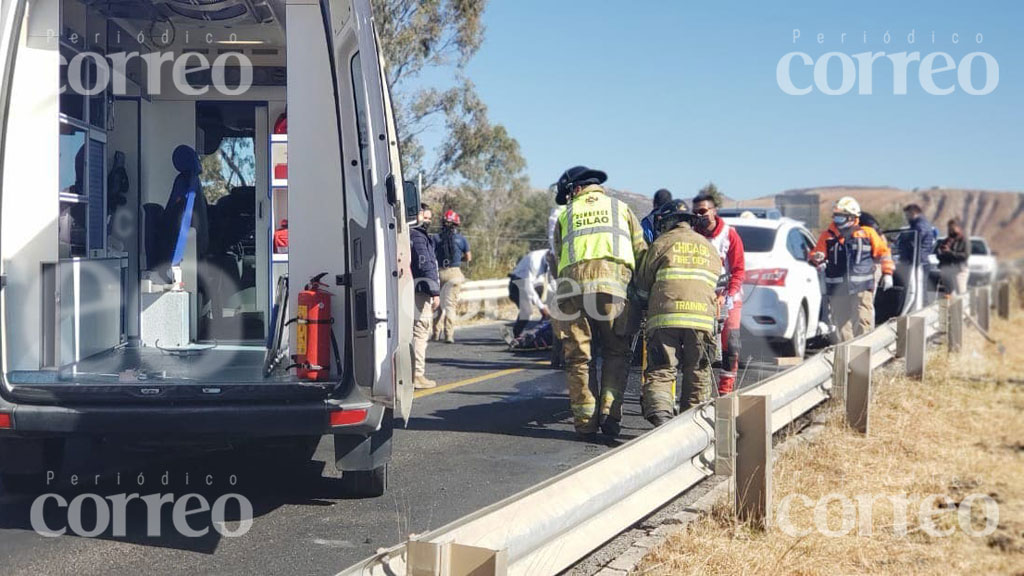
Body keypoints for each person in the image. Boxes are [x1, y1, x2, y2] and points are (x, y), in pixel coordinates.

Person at [551, 165, 647, 439]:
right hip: (613, 288)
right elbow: (640, 252)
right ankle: (609, 411)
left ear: (575, 189)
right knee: (616, 351)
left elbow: (558, 256)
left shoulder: (565, 215)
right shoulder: (621, 209)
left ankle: (585, 422)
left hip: (571, 291)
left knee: (579, 357)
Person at [634, 199, 722, 426]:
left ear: (666, 222)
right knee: (698, 372)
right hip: (702, 319)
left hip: (665, 318)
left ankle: (662, 417)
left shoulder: (661, 243)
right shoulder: (708, 246)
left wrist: (643, 306)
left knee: (662, 369)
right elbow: (715, 283)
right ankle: (692, 426)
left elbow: (643, 284)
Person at [810, 196, 895, 342]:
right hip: (837, 287)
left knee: (863, 320)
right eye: (836, 216)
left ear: (852, 217)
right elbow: (816, 254)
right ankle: (846, 357)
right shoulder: (827, 236)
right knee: (841, 324)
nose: (837, 219)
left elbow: (883, 253)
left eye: (840, 216)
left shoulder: (867, 233)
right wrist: (817, 259)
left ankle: (863, 354)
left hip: (861, 286)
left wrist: (887, 273)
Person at [691, 193, 745, 394]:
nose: (699, 216)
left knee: (731, 345)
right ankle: (700, 391)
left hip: (728, 298)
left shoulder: (730, 235)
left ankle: (725, 391)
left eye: (703, 211)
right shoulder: (693, 235)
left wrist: (727, 295)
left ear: (713, 211)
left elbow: (739, 269)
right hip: (701, 297)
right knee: (700, 347)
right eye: (695, 212)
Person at [410, 204, 440, 389]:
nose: (428, 221)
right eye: (425, 217)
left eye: (430, 218)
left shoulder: (409, 234)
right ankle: (417, 374)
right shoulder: (418, 237)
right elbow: (426, 265)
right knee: (420, 330)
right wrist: (435, 291)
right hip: (421, 291)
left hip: (412, 289)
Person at [432, 210, 471, 343]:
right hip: (454, 273)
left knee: (437, 304)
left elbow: (431, 255)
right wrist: (458, 260)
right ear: (456, 224)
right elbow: (468, 257)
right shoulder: (461, 239)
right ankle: (449, 335)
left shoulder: (436, 238)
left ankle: (435, 333)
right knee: (450, 305)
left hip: (440, 272)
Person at [898, 203, 937, 310]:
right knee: (917, 289)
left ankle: (922, 312)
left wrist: (904, 240)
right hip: (918, 260)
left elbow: (915, 241)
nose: (906, 217)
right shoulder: (918, 225)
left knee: (919, 290)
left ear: (913, 213)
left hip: (919, 262)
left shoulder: (920, 226)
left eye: (907, 215)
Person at [509, 249, 554, 338]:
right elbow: (528, 287)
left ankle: (543, 332)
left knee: (553, 301)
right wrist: (542, 307)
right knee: (527, 311)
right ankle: (517, 335)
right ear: (549, 257)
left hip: (536, 283)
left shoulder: (553, 259)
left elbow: (553, 281)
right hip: (519, 283)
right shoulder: (534, 260)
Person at [936, 218, 970, 296]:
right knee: (948, 295)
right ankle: (949, 308)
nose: (951, 230)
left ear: (959, 228)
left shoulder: (964, 240)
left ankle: (963, 308)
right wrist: (941, 253)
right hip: (947, 270)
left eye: (952, 228)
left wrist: (950, 253)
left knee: (960, 294)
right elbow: (939, 254)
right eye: (949, 228)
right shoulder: (947, 240)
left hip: (959, 270)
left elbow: (965, 256)